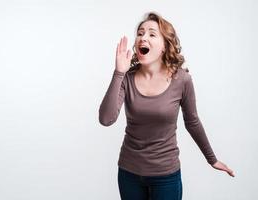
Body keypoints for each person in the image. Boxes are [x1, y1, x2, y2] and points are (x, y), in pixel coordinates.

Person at [98, 12, 235, 200]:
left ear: (164, 46)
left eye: (152, 34)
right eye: (140, 33)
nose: (143, 37)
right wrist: (118, 73)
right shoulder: (126, 78)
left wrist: (212, 159)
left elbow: (192, 122)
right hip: (129, 174)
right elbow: (106, 119)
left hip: (166, 177)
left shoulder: (182, 79)